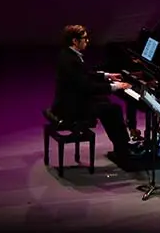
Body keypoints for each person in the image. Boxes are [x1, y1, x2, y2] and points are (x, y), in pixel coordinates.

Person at [49, 24, 144, 166]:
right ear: (75, 41)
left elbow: (85, 75)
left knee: (106, 104)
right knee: (113, 109)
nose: (87, 41)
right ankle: (123, 150)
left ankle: (122, 147)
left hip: (72, 99)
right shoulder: (71, 60)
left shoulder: (69, 55)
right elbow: (86, 86)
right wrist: (115, 86)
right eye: (84, 39)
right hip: (71, 106)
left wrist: (107, 76)